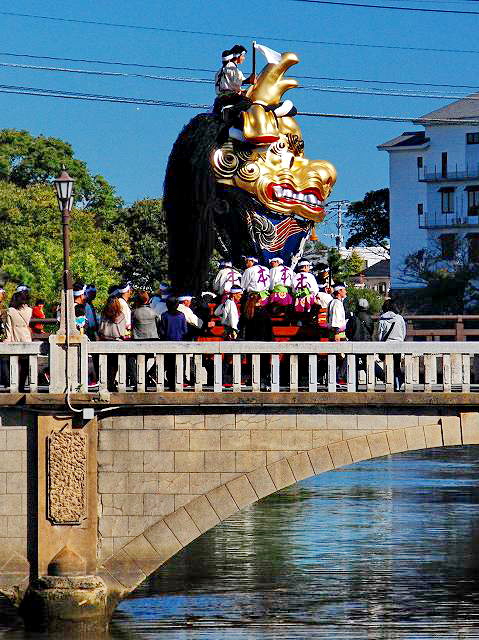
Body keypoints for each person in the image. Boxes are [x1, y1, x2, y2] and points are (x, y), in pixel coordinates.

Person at [99, 296, 135, 390]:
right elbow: (122, 331)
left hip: (105, 341)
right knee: (114, 365)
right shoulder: (121, 315)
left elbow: (101, 328)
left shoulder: (104, 314)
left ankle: (108, 383)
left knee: (107, 364)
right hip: (117, 341)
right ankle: (111, 383)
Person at [5, 289, 32, 391]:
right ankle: (21, 386)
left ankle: (13, 384)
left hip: (15, 339)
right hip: (26, 339)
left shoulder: (10, 311)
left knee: (14, 363)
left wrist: (7, 341)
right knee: (25, 365)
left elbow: (8, 328)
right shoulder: (29, 310)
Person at [159, 296, 188, 390]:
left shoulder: (164, 315)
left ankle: (171, 383)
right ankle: (180, 382)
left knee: (169, 365)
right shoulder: (181, 315)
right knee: (180, 364)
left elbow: (162, 331)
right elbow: (185, 330)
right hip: (180, 343)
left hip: (167, 344)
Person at [378, 300, 407, 391]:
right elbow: (403, 332)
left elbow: (380, 335)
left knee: (388, 366)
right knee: (397, 365)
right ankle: (397, 385)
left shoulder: (382, 319)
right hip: (398, 345)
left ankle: (391, 384)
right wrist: (400, 340)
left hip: (386, 346)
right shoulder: (399, 318)